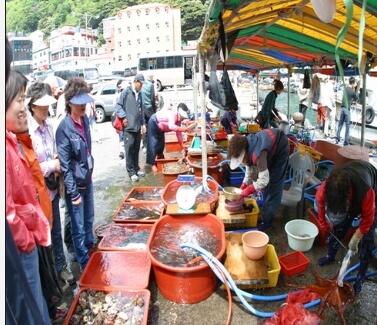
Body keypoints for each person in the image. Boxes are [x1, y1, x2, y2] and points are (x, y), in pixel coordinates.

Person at [6, 68, 52, 324]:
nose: (24, 108)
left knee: (38, 303)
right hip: (23, 245)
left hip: (33, 234)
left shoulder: (15, 140)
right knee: (32, 305)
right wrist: (26, 241)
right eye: (20, 100)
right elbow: (7, 210)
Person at [26, 81, 76, 286]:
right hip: (37, 194)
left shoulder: (49, 127)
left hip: (52, 191)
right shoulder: (27, 130)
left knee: (55, 231)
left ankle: (61, 267)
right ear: (32, 106)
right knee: (43, 236)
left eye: (48, 105)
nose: (46, 109)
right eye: (42, 106)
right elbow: (31, 166)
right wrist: (52, 165)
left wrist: (55, 162)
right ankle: (49, 277)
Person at [315, 160, 377, 294]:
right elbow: (319, 203)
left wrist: (357, 236)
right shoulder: (326, 188)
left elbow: (369, 218)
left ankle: (361, 276)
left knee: (367, 240)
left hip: (371, 183)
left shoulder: (366, 191)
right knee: (338, 228)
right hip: (348, 193)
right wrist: (324, 225)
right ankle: (331, 255)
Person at [56, 77, 95, 271]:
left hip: (88, 180)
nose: (83, 106)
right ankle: (83, 260)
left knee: (89, 219)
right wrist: (73, 192)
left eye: (85, 102)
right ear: (70, 102)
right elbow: (65, 165)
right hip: (76, 187)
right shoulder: (64, 129)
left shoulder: (85, 119)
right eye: (79, 103)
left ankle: (90, 248)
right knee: (77, 227)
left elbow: (87, 150)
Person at [227, 130, 289, 231]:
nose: (243, 162)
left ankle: (267, 222)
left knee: (273, 186)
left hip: (280, 147)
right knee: (265, 184)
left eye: (242, 160)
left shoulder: (258, 155)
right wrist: (244, 183)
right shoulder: (245, 144)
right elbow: (249, 165)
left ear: (245, 153)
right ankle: (266, 211)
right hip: (266, 149)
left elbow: (264, 180)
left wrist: (251, 188)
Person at [115, 73, 147, 181]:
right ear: (136, 82)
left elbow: (141, 110)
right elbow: (118, 106)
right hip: (128, 126)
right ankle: (131, 171)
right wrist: (124, 117)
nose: (141, 86)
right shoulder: (126, 92)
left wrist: (143, 124)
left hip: (137, 126)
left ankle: (136, 168)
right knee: (129, 149)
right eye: (141, 84)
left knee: (136, 149)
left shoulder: (140, 94)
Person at [146, 102, 189, 172]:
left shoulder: (179, 120)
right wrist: (183, 129)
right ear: (180, 113)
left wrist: (182, 144)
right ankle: (153, 164)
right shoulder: (173, 114)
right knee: (153, 143)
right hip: (154, 122)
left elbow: (178, 133)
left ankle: (159, 158)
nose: (183, 119)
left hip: (161, 127)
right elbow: (171, 126)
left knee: (161, 143)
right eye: (183, 117)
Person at [336, 77, 358, 146]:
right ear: (353, 83)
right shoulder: (352, 92)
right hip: (347, 110)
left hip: (342, 108)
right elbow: (357, 98)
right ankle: (346, 142)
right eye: (355, 83)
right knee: (347, 126)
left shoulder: (345, 89)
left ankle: (337, 138)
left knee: (340, 124)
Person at [141, 72, 157, 153]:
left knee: (144, 127)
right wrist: (154, 110)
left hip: (142, 109)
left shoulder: (142, 84)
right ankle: (151, 145)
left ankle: (145, 145)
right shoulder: (151, 85)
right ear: (150, 77)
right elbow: (152, 99)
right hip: (149, 109)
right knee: (151, 127)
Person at [114, 79, 126, 159]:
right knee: (122, 134)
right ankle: (122, 150)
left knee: (121, 135)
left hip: (120, 117)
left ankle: (122, 150)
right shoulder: (122, 95)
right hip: (122, 117)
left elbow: (115, 106)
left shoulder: (117, 95)